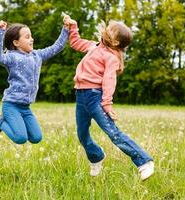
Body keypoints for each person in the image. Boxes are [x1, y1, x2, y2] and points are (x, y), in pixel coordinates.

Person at [63, 14, 154, 180]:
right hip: (81, 96)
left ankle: (144, 161)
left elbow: (109, 81)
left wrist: (107, 104)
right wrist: (73, 27)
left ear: (116, 42)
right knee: (82, 134)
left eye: (110, 31)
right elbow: (75, 43)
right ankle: (96, 156)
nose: (105, 30)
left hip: (95, 97)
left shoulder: (111, 58)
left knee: (114, 134)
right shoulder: (93, 46)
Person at [0, 18, 69, 145]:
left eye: (31, 36)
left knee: (36, 137)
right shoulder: (11, 57)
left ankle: (1, 123)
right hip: (11, 105)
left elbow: (56, 48)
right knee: (20, 138)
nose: (31, 39)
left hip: (25, 107)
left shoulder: (37, 55)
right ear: (16, 42)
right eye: (27, 37)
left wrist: (65, 30)